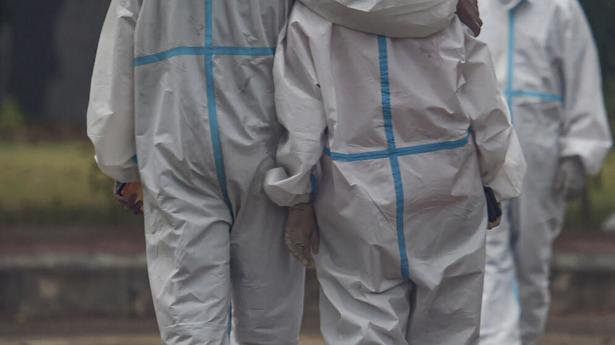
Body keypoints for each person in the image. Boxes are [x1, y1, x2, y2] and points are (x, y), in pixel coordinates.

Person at [263, 0, 526, 344]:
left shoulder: (311, 15)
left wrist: (297, 197)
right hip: (447, 187)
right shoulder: (447, 11)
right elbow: (485, 104)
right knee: (449, 330)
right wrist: (494, 179)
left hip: (353, 197)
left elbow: (301, 118)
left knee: (362, 326)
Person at [87, 1, 305, 344]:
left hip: (176, 150)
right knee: (270, 326)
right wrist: (304, 169)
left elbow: (118, 54)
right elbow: (308, 52)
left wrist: (121, 161)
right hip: (268, 158)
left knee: (191, 322)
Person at [477, 1, 613, 344]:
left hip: (541, 150)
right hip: (485, 147)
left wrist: (579, 152)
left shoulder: (560, 9)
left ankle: (524, 336)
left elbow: (581, 77)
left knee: (532, 264)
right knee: (489, 257)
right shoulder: (471, 5)